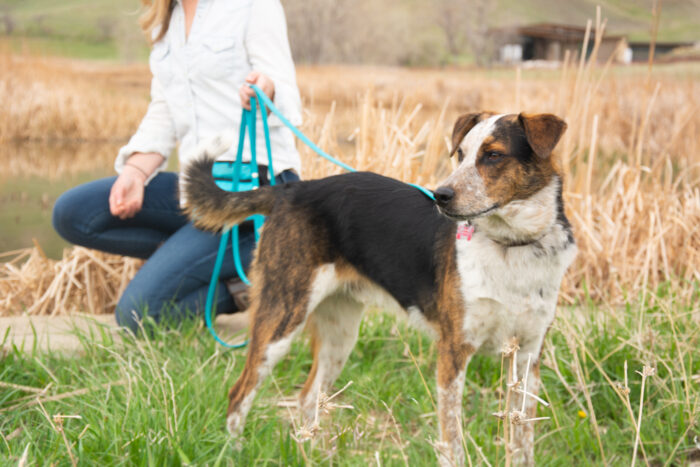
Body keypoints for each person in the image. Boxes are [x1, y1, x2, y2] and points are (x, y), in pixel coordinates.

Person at [52, 0, 303, 333]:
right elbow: (165, 110)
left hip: (253, 195)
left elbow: (287, 97)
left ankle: (257, 277)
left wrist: (266, 89)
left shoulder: (252, 5)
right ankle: (196, 256)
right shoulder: (165, 18)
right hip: (197, 190)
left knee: (137, 316)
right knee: (73, 213)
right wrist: (135, 172)